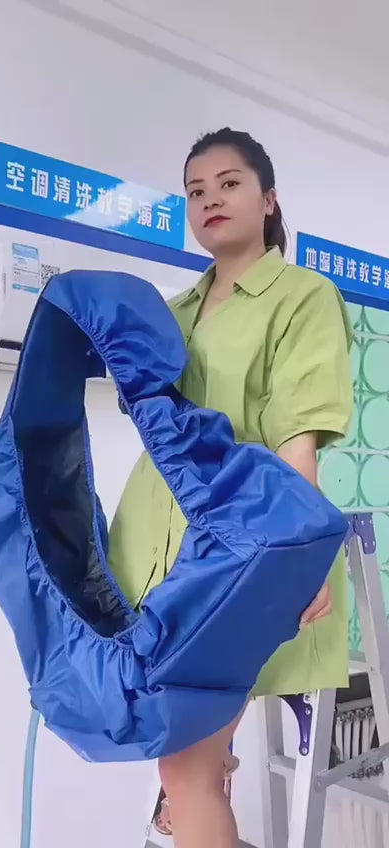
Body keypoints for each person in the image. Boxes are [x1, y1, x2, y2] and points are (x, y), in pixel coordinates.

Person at [108, 128, 353, 848]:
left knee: (185, 768)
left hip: (239, 556)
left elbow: (297, 436)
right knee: (184, 759)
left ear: (268, 199)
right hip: (154, 554)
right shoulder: (174, 312)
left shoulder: (303, 297)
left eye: (229, 183)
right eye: (195, 191)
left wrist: (302, 561)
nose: (210, 199)